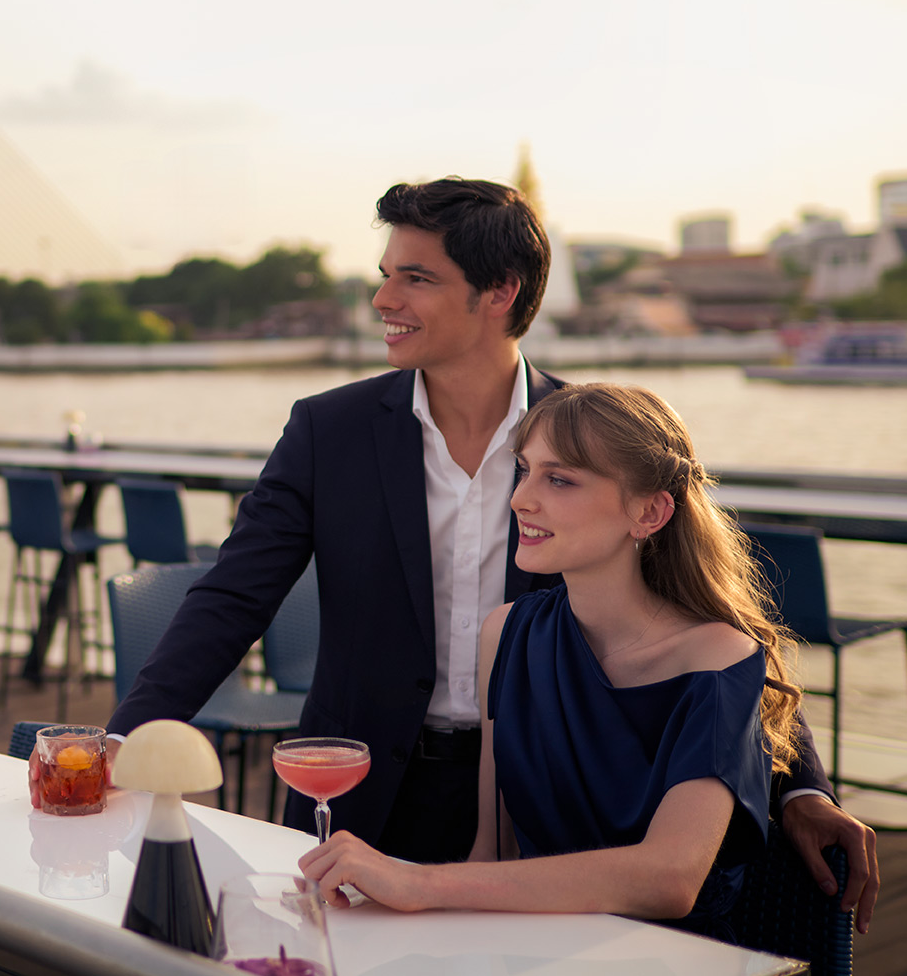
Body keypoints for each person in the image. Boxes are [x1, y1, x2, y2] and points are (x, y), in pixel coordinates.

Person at [107, 177, 878, 929]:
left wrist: (801, 787)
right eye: (384, 276)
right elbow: (231, 595)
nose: (383, 300)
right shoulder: (326, 431)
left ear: (499, 291)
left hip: (540, 797)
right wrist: (123, 743)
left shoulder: (590, 437)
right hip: (356, 791)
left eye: (414, 278)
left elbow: (707, 610)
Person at [299, 383, 799, 941]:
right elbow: (492, 852)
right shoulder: (507, 633)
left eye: (559, 479)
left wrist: (419, 883)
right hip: (528, 945)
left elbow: (671, 879)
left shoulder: (718, 657)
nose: (519, 499)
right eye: (524, 470)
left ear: (650, 511)